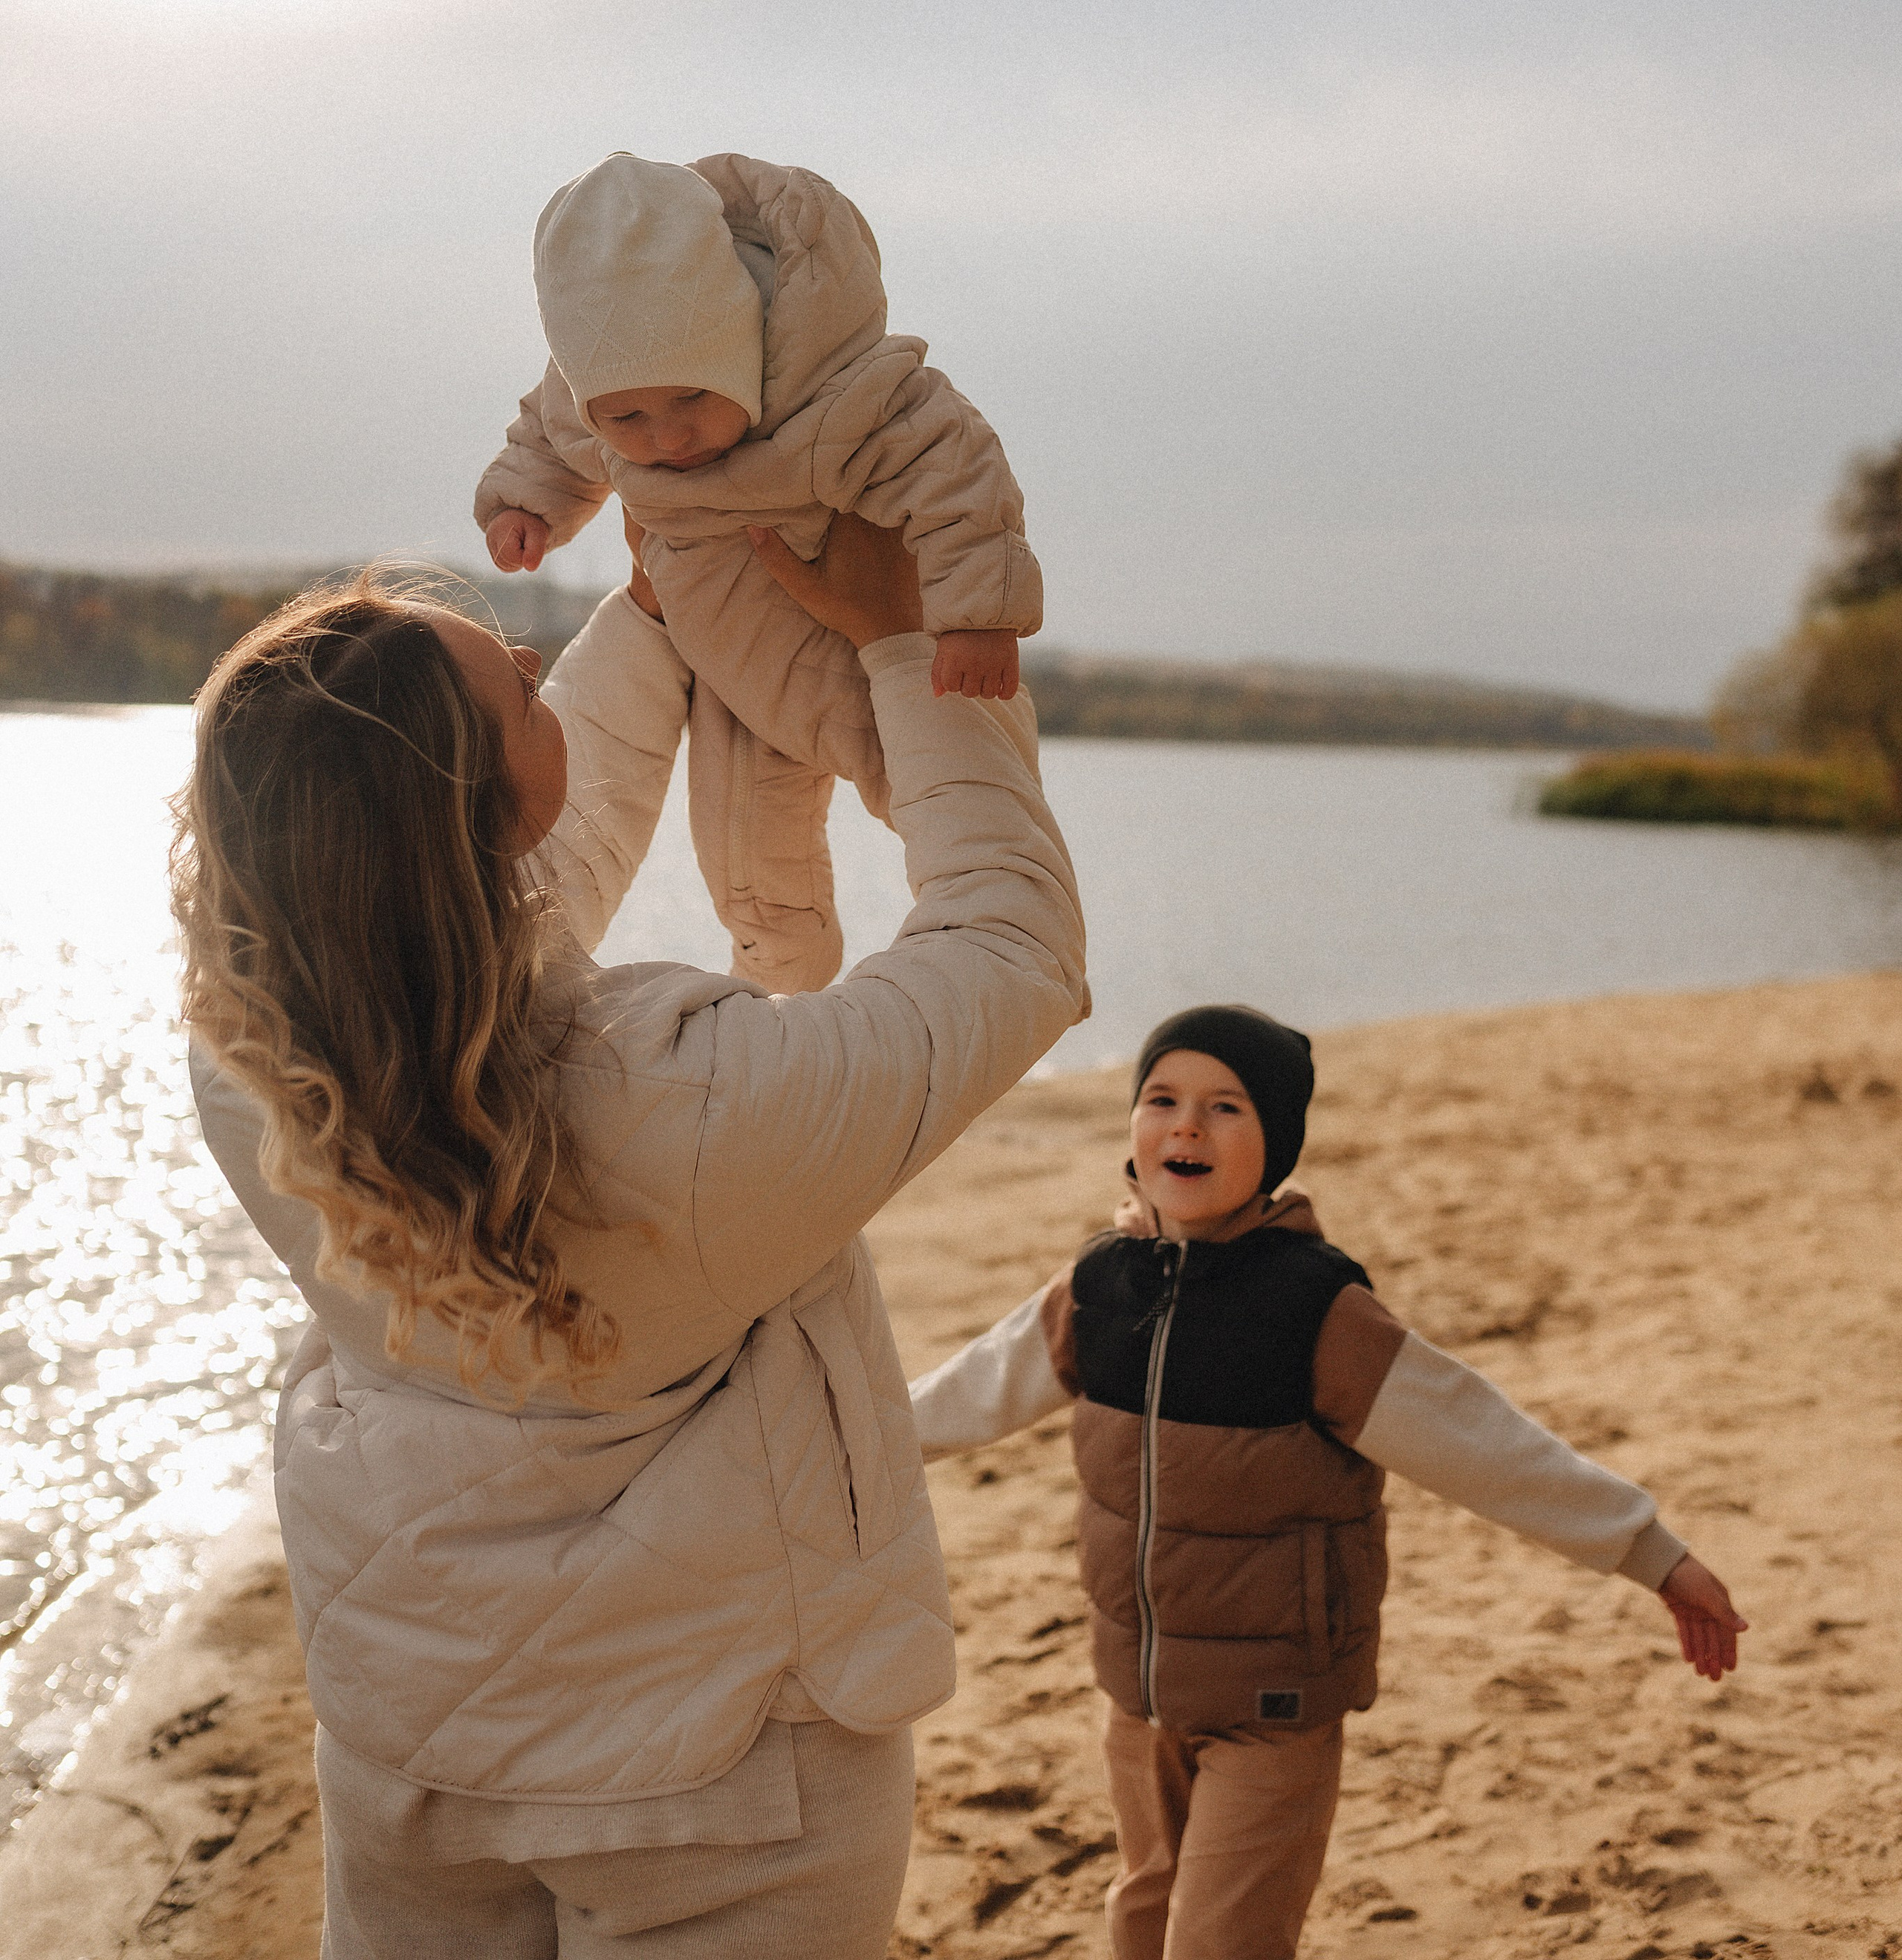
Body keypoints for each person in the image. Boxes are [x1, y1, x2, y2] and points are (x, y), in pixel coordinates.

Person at [175, 512, 1087, 1960]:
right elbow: (1009, 942)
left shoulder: (258, 1080)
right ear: (468, 816)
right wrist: (911, 646)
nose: (536, 650)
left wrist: (660, 618)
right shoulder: (708, 1107)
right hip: (726, 1774)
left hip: (419, 1746)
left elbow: (517, 867)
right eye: (514, 684)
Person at [907, 1003, 1747, 1960]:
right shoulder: (1101, 1287)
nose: (1185, 1125)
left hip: (1274, 1708)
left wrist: (1651, 1552)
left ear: (1275, 1145)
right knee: (1143, 1916)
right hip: (1137, 1695)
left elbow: (1486, 1445)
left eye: (1225, 1107)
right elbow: (964, 1394)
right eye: (1161, 1098)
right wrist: (841, 1440)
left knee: (1220, 1944)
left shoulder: (1316, 1309)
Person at [474, 150, 1042, 995]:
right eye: (627, 416)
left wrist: (978, 615)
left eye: (695, 400)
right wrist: (524, 505)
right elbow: (548, 434)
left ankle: (1027, 953)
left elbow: (953, 467)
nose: (667, 438)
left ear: (744, 346)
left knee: (950, 797)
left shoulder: (840, 393)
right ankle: (785, 998)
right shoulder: (589, 393)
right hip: (727, 670)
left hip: (858, 649)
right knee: (746, 867)